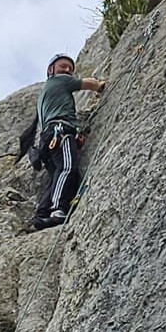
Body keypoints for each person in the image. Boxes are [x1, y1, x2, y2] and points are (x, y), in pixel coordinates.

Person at [31, 53, 106, 231]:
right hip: (60, 131)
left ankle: (42, 215)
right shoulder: (60, 81)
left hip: (47, 138)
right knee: (67, 168)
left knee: (56, 175)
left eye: (70, 68)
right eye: (63, 66)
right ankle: (57, 209)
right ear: (51, 70)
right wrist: (100, 86)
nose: (67, 70)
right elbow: (88, 83)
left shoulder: (44, 93)